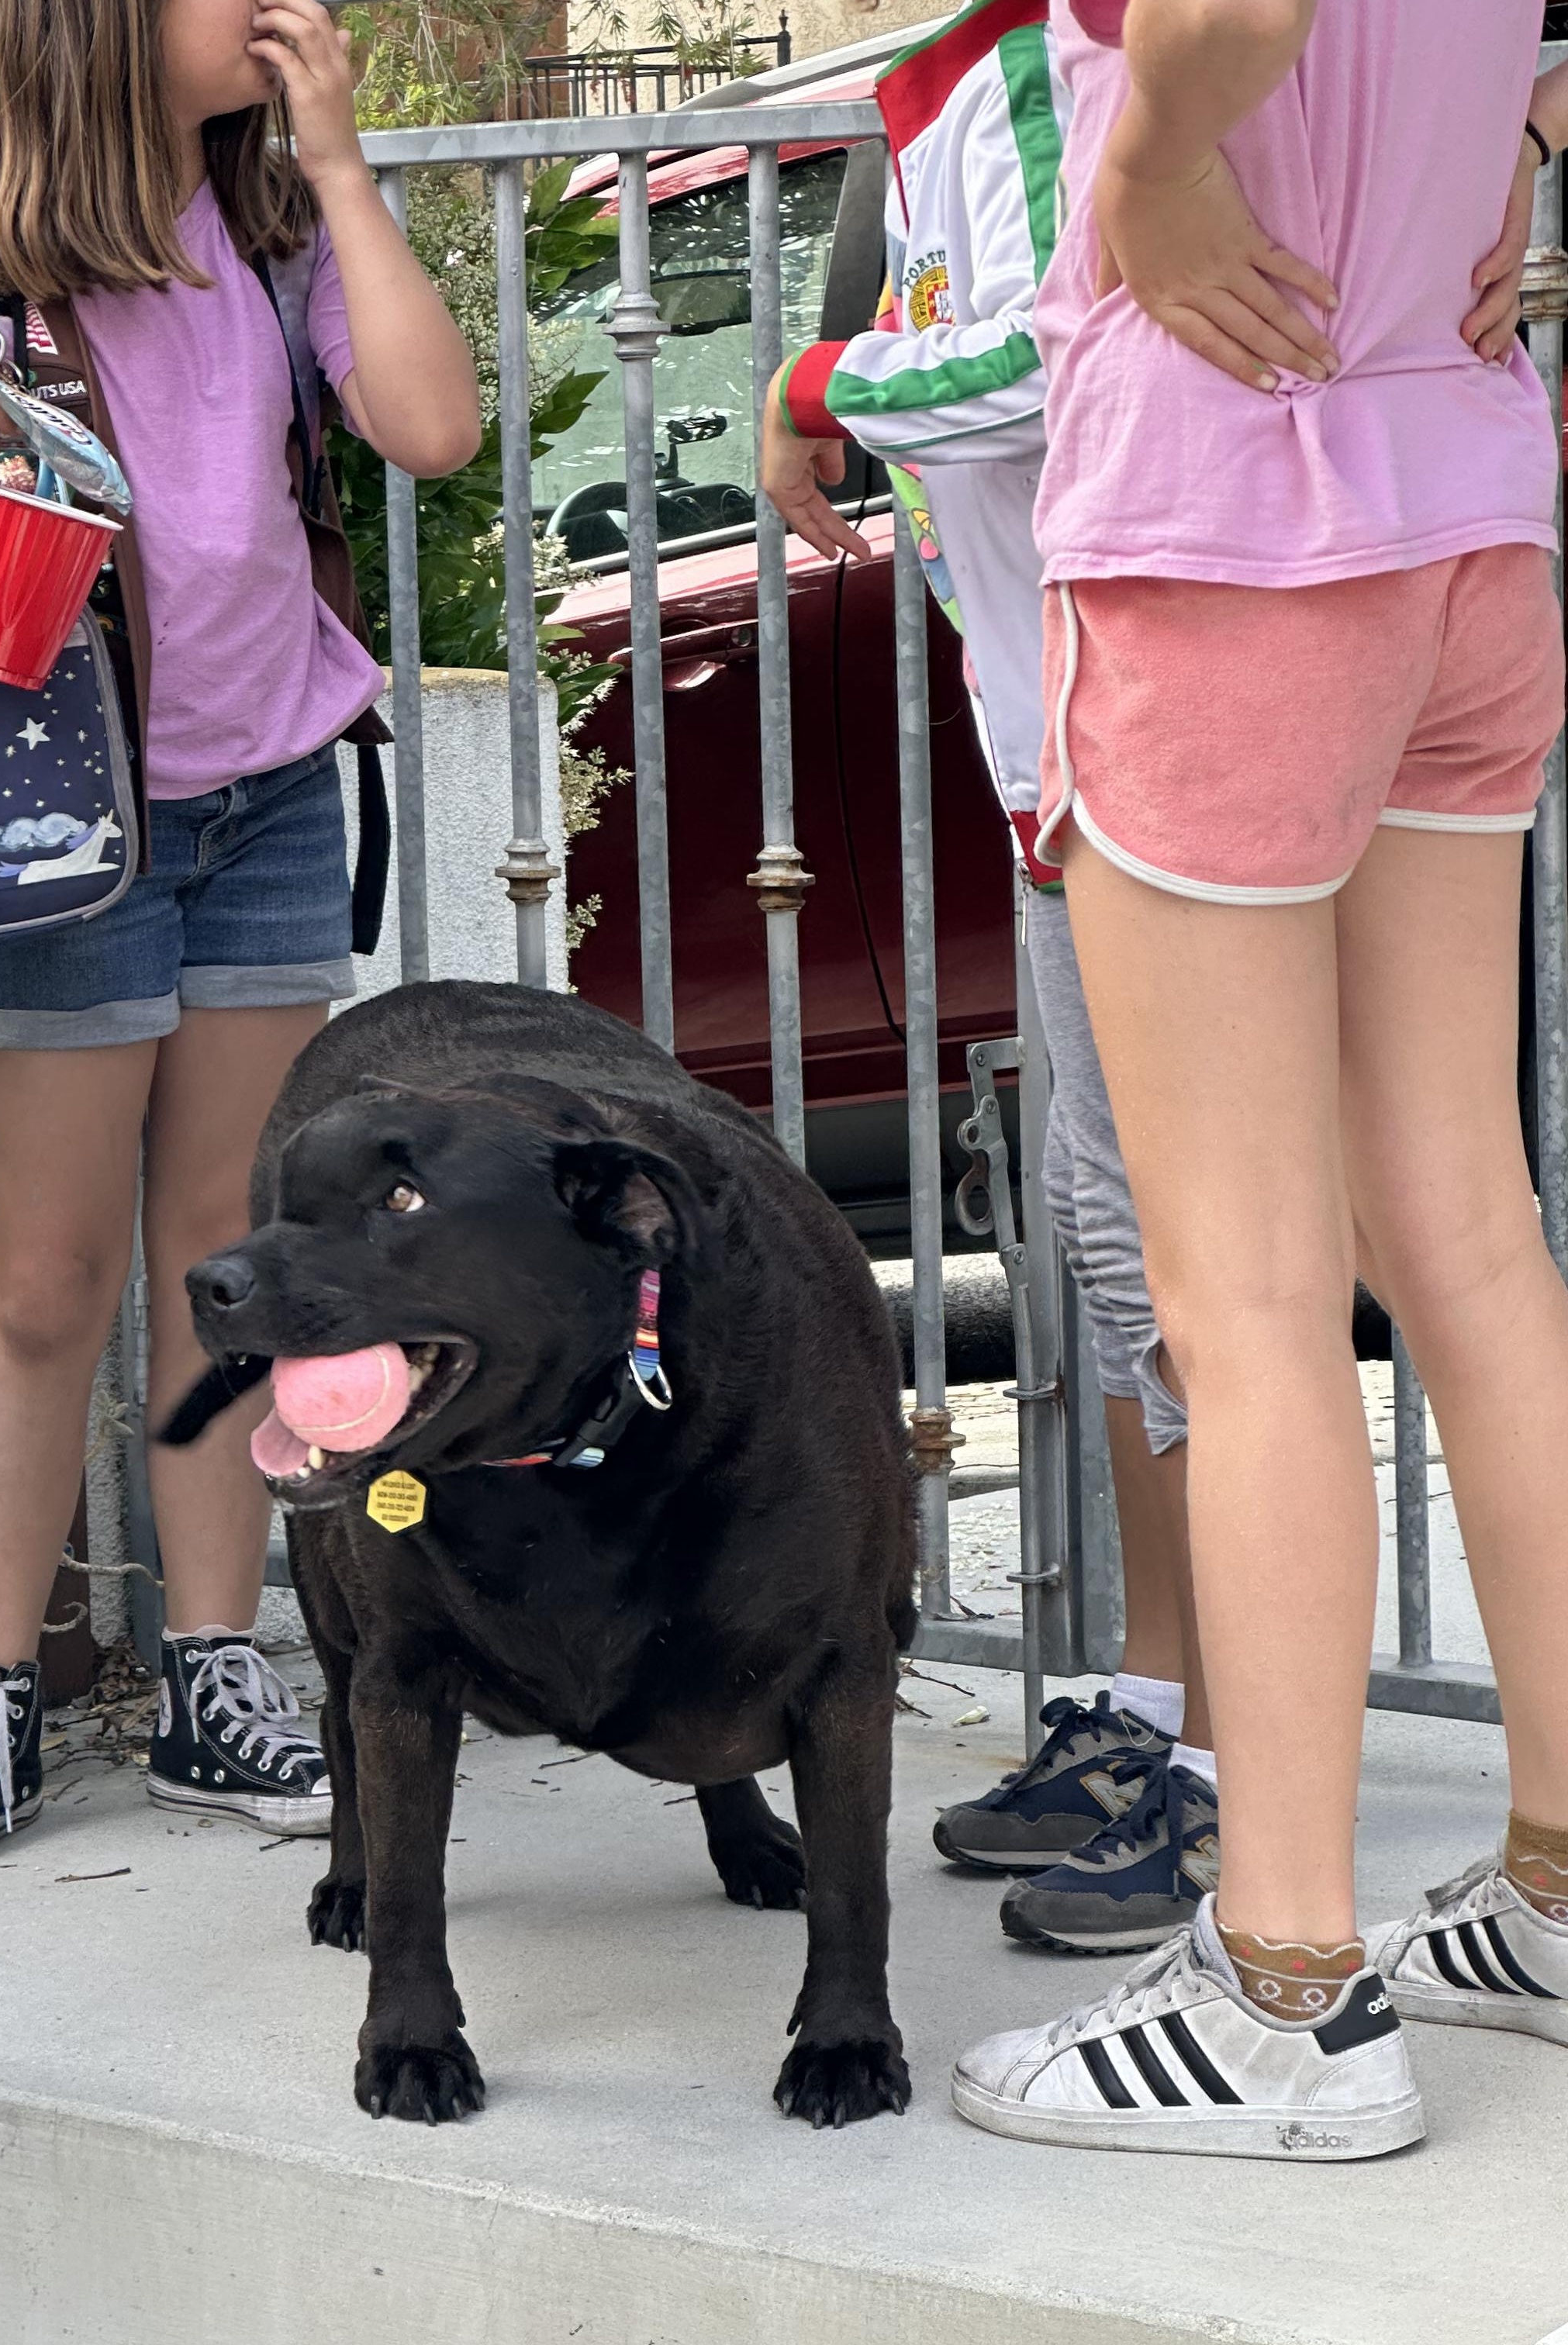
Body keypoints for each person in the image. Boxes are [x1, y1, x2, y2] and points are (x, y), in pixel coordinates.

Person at [953, 0, 1568, 2158]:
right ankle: (1565, 1888)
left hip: (1235, 511)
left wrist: (1148, 167)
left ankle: (1288, 1991)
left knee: (1248, 1288)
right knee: (1466, 1227)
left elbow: (1229, 13)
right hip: (1465, 499)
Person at [0, 0, 479, 1874]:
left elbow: (431, 429)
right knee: (42, 1284)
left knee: (230, 1261)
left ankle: (215, 1669)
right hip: (62, 826)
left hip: (267, 798)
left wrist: (344, 164)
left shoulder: (275, 239)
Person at [760, 0, 1215, 1959]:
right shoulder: (945, 85)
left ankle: (1215, 1769)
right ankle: (1161, 1709)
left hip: (1149, 747)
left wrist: (811, 376)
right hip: (1080, 758)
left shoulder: (1032, 61)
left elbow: (1051, 360)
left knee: (1187, 1272)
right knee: (1128, 1255)